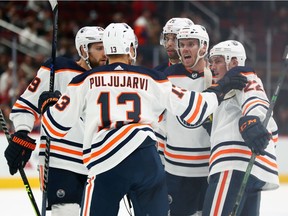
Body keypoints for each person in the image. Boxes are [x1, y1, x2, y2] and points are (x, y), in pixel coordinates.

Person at [4, 26, 107, 216]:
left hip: (100, 162)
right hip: (62, 160)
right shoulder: (58, 68)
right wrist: (22, 132)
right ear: (84, 50)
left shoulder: (110, 78)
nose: (105, 54)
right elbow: (26, 104)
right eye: (99, 48)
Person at [202, 40, 279, 216]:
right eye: (211, 61)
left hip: (232, 165)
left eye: (218, 61)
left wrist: (254, 119)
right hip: (251, 170)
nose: (213, 66)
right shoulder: (223, 88)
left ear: (234, 62)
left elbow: (256, 99)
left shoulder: (238, 73)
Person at [157, 24, 212, 216]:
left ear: (204, 47)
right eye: (182, 45)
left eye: (191, 44)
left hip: (209, 171)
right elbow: (157, 122)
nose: (184, 49)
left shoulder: (216, 77)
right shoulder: (166, 78)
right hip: (176, 172)